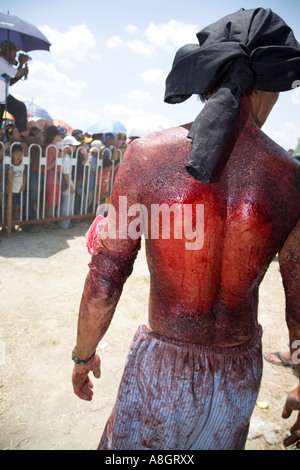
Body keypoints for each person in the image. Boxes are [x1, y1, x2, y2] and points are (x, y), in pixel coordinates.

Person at [72, 8, 300, 450]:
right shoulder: (290, 178)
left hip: (162, 369)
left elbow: (106, 275)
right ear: (270, 86)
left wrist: (82, 355)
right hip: (238, 376)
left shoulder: (146, 156)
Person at [0, 41, 29, 134]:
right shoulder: (1, 60)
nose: (16, 55)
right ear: (8, 51)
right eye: (15, 52)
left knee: (20, 108)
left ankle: (21, 133)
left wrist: (21, 74)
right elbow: (15, 73)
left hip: (4, 96)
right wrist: (21, 64)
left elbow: (10, 82)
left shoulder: (7, 63)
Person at [59, 135, 80, 229]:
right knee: (67, 204)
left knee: (66, 203)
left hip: (66, 182)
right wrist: (70, 186)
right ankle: (64, 224)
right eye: (73, 145)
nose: (75, 147)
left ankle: (64, 223)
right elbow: (66, 173)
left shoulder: (65, 156)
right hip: (67, 183)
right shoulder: (66, 157)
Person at [44, 125, 61, 229]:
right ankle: (47, 222)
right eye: (59, 134)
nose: (60, 136)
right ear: (54, 136)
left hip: (54, 177)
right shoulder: (50, 147)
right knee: (51, 201)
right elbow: (47, 166)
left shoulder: (53, 147)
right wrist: (56, 160)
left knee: (52, 201)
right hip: (52, 177)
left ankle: (49, 221)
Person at [6, 144, 26, 221]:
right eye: (17, 154)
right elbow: (7, 178)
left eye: (21, 154)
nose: (19, 156)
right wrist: (7, 187)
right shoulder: (9, 165)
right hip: (12, 189)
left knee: (18, 204)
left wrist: (24, 185)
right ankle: (9, 217)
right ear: (12, 155)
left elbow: (24, 175)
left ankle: (15, 215)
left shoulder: (22, 165)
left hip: (19, 188)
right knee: (11, 204)